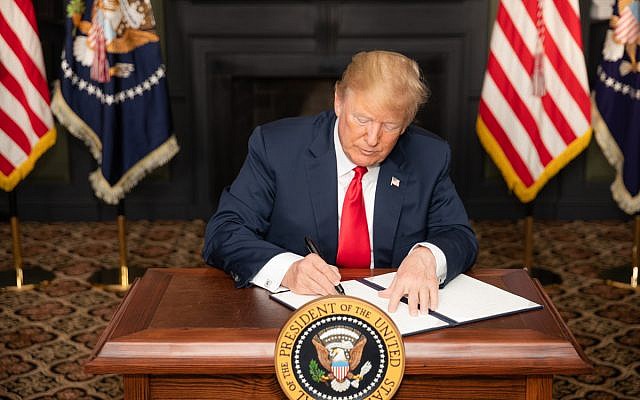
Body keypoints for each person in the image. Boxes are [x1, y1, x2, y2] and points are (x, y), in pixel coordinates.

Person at [203, 50, 477, 316]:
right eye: (362, 119)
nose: (372, 138)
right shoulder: (276, 147)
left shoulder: (429, 155)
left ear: (406, 124)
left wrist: (428, 257)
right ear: (338, 101)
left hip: (392, 313)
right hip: (294, 314)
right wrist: (287, 269)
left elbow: (458, 235)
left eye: (390, 126)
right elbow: (224, 232)